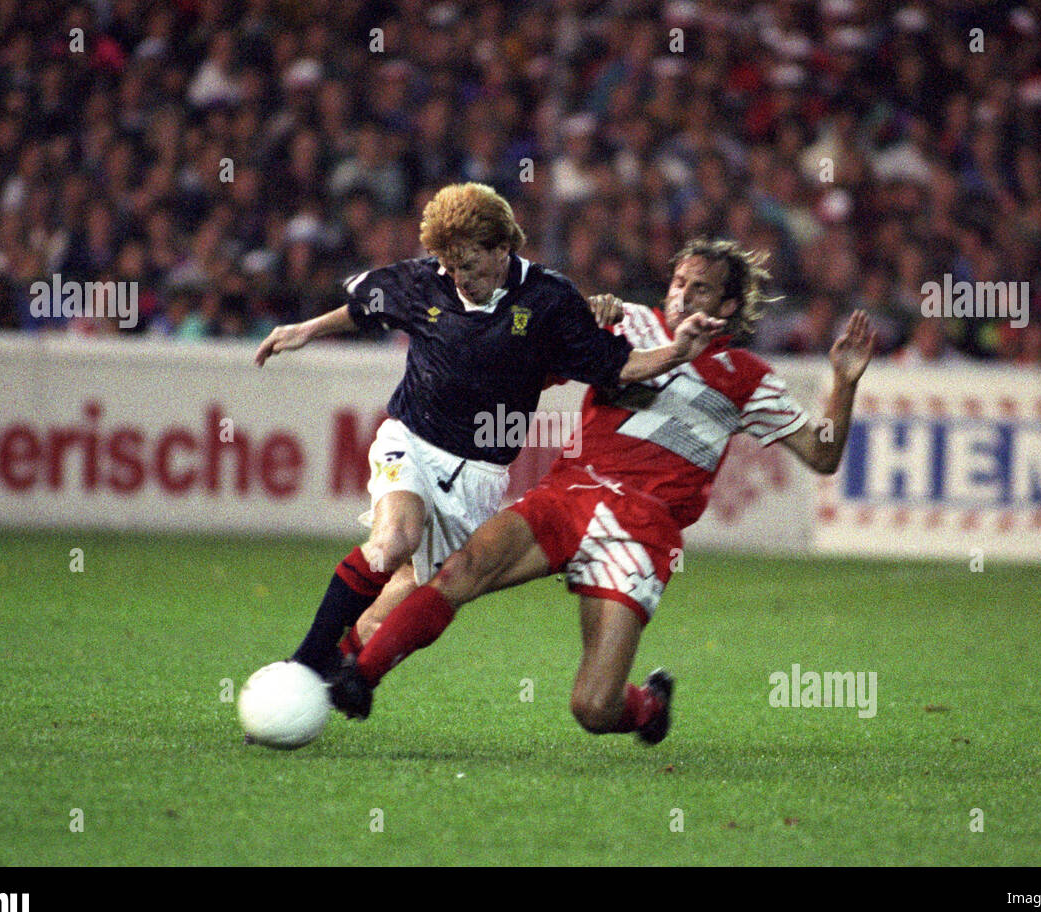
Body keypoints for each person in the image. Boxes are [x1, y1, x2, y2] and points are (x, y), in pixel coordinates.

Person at [330, 238, 876, 743]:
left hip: (640, 530)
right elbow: (533, 366)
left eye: (700, 287)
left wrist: (844, 384)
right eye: (679, 281)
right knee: (459, 571)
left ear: (729, 307)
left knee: (593, 708)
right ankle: (358, 676)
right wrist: (578, 322)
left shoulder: (747, 377)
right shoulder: (627, 324)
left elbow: (823, 453)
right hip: (568, 495)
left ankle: (648, 708)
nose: (682, 294)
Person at [253, 183, 724, 683]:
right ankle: (302, 663)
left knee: (380, 619)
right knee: (393, 539)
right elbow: (366, 308)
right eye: (450, 267)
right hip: (411, 440)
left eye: (471, 267)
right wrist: (305, 330)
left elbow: (616, 365)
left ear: (503, 249)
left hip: (479, 476)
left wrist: (676, 353)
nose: (459, 279)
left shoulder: (548, 300)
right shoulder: (425, 281)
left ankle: (317, 688)